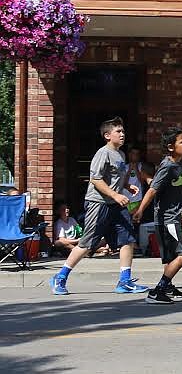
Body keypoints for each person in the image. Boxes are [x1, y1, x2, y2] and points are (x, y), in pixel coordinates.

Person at [49, 117, 149, 296]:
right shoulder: (103, 153)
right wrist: (116, 195)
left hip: (115, 204)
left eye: (123, 131)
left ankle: (124, 281)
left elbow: (115, 178)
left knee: (127, 239)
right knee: (88, 243)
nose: (122, 134)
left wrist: (126, 186)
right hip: (99, 203)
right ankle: (60, 277)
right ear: (107, 135)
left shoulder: (121, 154)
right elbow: (95, 179)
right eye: (118, 131)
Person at [133, 127, 182, 304]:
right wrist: (140, 210)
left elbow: (157, 184)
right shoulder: (167, 166)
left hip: (170, 218)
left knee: (172, 257)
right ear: (171, 147)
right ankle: (157, 291)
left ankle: (168, 287)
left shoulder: (176, 164)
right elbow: (152, 190)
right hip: (168, 219)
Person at [124, 146, 155, 215]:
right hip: (125, 197)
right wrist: (129, 169)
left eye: (137, 154)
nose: (135, 156)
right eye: (133, 153)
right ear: (129, 155)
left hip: (137, 198)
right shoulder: (124, 167)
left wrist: (136, 169)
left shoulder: (142, 166)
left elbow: (143, 182)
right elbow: (123, 183)